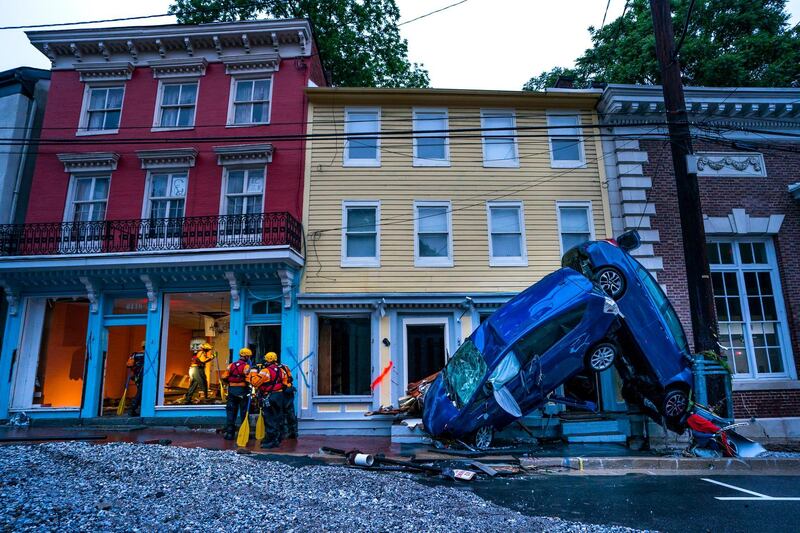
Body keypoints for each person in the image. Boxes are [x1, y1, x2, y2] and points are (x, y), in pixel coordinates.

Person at [252, 351, 285, 449]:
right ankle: (277, 439)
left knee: (269, 418)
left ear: (267, 360)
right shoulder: (281, 370)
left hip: (269, 396)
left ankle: (271, 441)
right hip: (279, 395)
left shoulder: (265, 371)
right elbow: (285, 382)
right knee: (278, 417)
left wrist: (253, 372)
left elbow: (255, 383)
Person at [221, 347, 252, 440]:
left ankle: (230, 433)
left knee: (231, 412)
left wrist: (229, 384)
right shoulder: (246, 367)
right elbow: (248, 379)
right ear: (246, 357)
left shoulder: (231, 365)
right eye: (249, 357)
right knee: (244, 412)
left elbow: (224, 376)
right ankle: (244, 433)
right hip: (242, 391)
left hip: (231, 391)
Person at [276, 356, 298, 439]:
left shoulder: (271, 369)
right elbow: (290, 378)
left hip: (282, 392)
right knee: (290, 411)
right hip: (289, 390)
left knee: (280, 412)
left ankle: (282, 432)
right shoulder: (285, 367)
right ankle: (293, 431)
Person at [126, 341, 146, 416]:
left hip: (136, 376)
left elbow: (128, 364)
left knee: (141, 391)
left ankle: (138, 409)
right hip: (145, 376)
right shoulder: (148, 354)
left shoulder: (135, 354)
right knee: (141, 392)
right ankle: (132, 408)